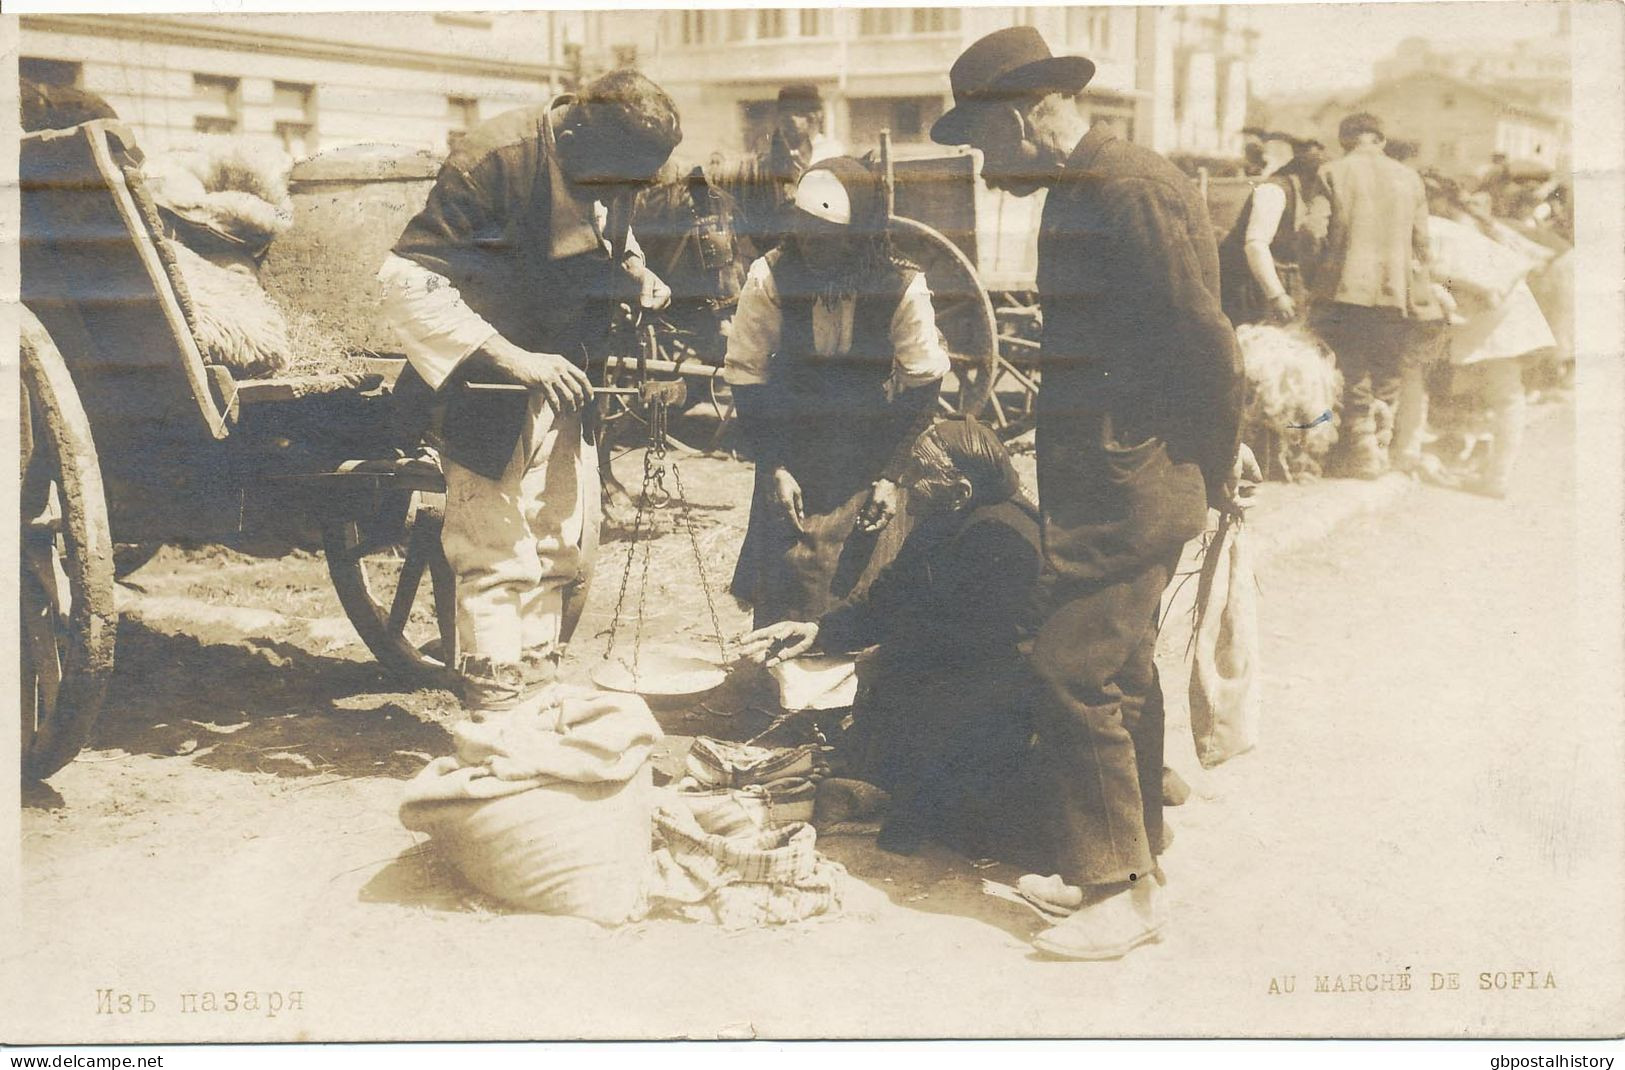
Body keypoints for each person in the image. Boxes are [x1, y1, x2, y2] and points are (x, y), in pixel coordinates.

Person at [931, 26, 1253, 960]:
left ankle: (1121, 895)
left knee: (1072, 672)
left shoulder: (1126, 190)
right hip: (1111, 474)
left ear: (1031, 115)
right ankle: (1133, 852)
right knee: (1119, 668)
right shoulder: (1086, 188)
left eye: (985, 144)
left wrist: (1219, 460)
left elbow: (1205, 340)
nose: (984, 169)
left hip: (1138, 480)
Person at [375, 70, 680, 719]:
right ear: (574, 135)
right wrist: (515, 359)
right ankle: (493, 715)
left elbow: (610, 238)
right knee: (494, 546)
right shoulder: (494, 161)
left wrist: (637, 275)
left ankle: (534, 702)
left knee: (554, 543)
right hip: (481, 379)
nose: (625, 194)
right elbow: (405, 280)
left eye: (635, 184)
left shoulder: (608, 167)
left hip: (560, 374)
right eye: (620, 179)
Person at [737, 418, 1045, 858]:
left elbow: (971, 648)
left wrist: (889, 655)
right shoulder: (943, 517)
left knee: (963, 815)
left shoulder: (1003, 538)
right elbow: (889, 598)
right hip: (957, 682)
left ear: (960, 491)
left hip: (1006, 696)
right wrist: (817, 631)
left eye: (919, 474)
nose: (906, 485)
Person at [724, 159, 949, 664]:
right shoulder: (772, 275)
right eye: (805, 231)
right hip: (791, 437)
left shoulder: (901, 284)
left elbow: (924, 383)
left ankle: (854, 690)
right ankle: (782, 683)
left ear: (860, 234)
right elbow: (747, 373)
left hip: (870, 444)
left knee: (861, 568)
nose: (813, 246)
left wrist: (892, 477)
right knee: (789, 565)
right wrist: (774, 464)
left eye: (828, 236)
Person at [1396, 175, 1556, 498]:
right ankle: (1496, 477)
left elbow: (1441, 275)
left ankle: (1408, 453)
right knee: (1507, 394)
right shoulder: (1469, 224)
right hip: (1506, 307)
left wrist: (1451, 290)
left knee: (1416, 373)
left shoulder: (1433, 228)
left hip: (1493, 312)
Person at [1310, 112, 1442, 479]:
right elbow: (1424, 244)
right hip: (1395, 292)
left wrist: (1318, 272)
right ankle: (1381, 447)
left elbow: (1312, 232)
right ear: (1381, 140)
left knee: (1352, 369)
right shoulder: (1409, 178)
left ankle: (1363, 449)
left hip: (1345, 291)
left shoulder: (1332, 172)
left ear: (1345, 140)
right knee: (1386, 369)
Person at [713, 83, 836, 261]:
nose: (791, 120)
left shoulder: (831, 152)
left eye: (798, 113)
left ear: (816, 116)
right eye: (786, 114)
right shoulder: (773, 158)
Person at [1218, 130, 1327, 326]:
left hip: (1280, 282)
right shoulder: (1273, 191)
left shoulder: (1305, 196)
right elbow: (1255, 246)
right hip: (1248, 284)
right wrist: (1276, 295)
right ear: (1306, 177)